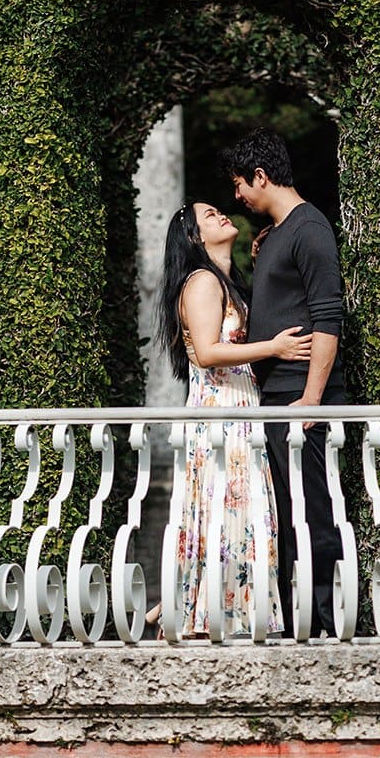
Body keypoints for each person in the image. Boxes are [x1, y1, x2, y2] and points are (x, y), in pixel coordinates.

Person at [152, 201, 312, 638]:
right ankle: (209, 611)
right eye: (209, 215)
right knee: (232, 505)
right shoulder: (202, 282)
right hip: (222, 411)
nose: (221, 214)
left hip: (237, 408)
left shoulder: (222, 281)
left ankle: (202, 603)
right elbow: (206, 352)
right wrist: (273, 349)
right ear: (194, 237)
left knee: (234, 507)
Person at [218, 129, 345, 638]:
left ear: (261, 176)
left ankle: (329, 620)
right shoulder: (278, 233)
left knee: (314, 508)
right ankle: (299, 619)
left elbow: (328, 317)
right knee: (289, 510)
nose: (237, 197)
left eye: (239, 185)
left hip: (301, 396)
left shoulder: (310, 229)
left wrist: (311, 398)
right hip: (276, 396)